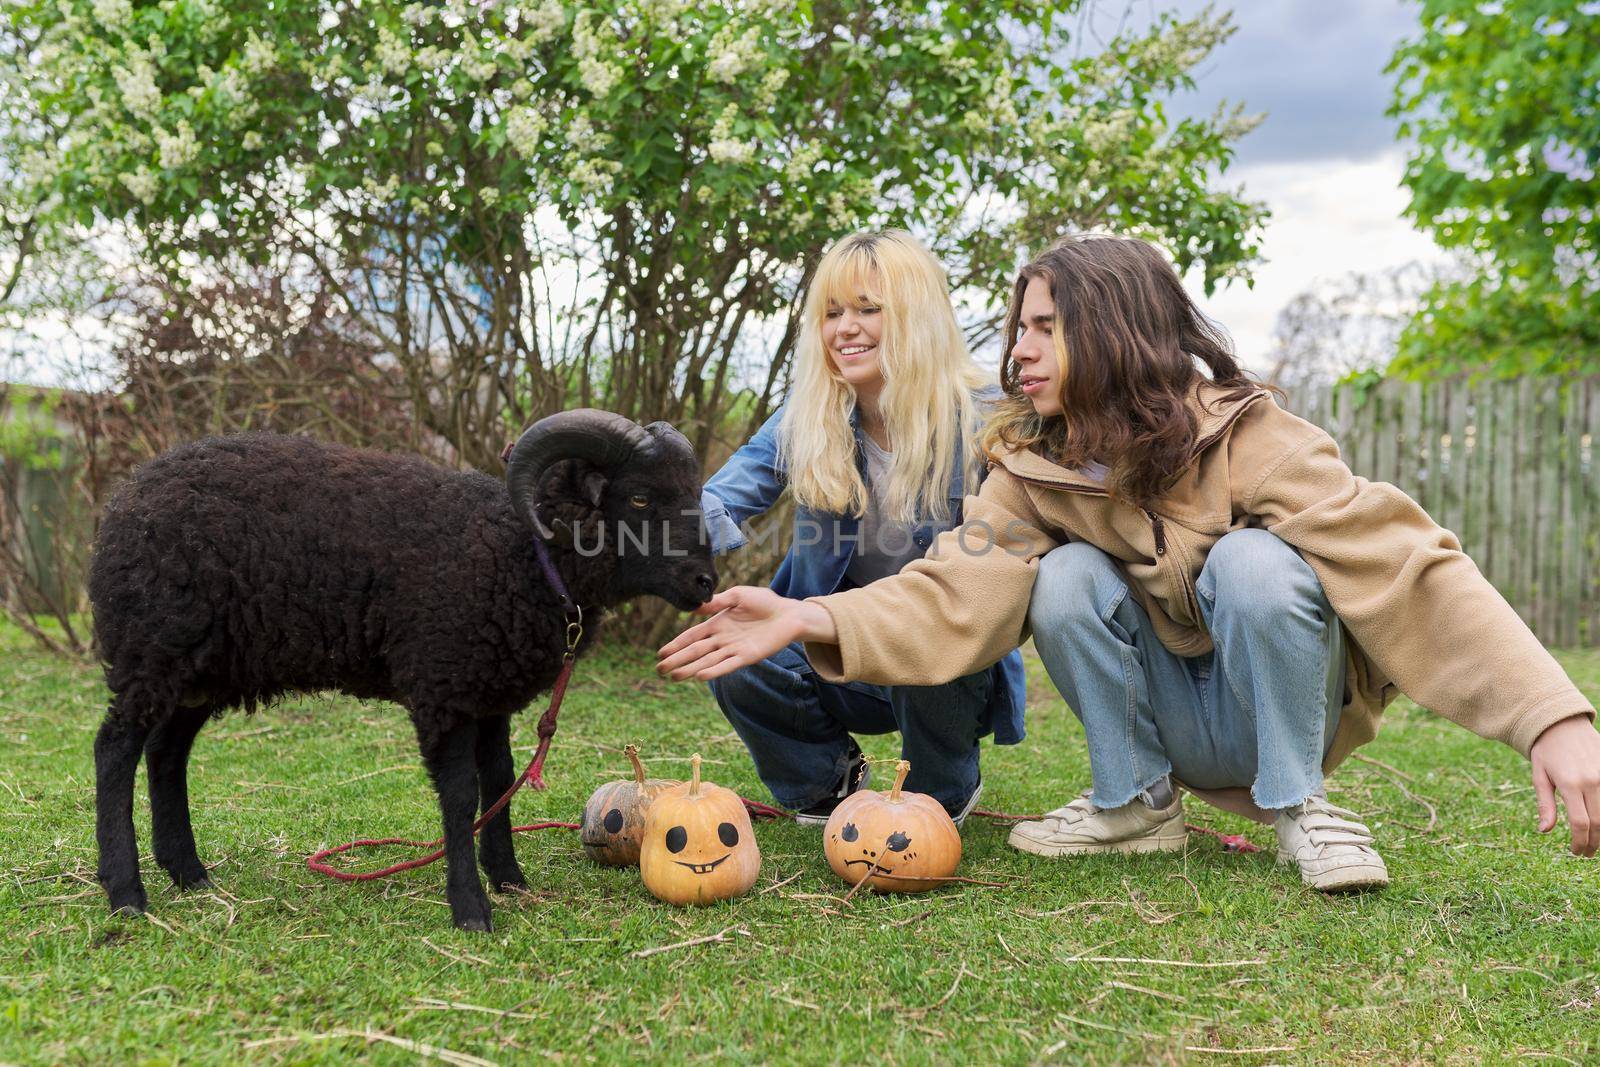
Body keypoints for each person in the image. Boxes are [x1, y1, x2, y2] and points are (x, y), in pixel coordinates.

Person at [660, 233, 1600, 891]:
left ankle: (1303, 808)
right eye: (1017, 326)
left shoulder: (1252, 437)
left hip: (1279, 718)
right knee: (1061, 576)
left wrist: (1551, 717)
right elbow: (961, 585)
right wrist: (806, 616)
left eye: (1042, 328)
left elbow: (1407, 564)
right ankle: (1132, 803)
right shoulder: (1029, 468)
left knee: (1254, 564)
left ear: (1110, 329)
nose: (1016, 349)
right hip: (1167, 723)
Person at [695, 230, 1024, 825]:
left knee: (931, 634)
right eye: (832, 313)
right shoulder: (808, 414)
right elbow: (723, 497)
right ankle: (825, 782)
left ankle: (938, 789)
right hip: (831, 642)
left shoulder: (987, 417)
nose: (845, 327)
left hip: (940, 655)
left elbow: (1005, 564)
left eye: (869, 309)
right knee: (735, 645)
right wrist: (633, 535)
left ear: (914, 316)